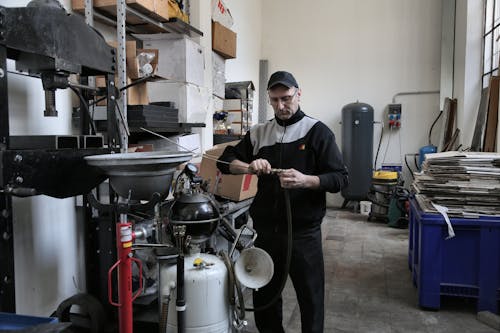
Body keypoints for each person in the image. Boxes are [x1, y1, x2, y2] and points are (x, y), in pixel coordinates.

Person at [217, 71, 349, 333]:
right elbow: (224, 161)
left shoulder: (317, 132)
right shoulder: (259, 133)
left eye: (286, 98)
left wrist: (306, 181)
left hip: (303, 235)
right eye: (275, 100)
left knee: (310, 300)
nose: (281, 106)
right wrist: (249, 167)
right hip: (266, 234)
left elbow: (340, 178)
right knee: (265, 300)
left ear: (298, 94)